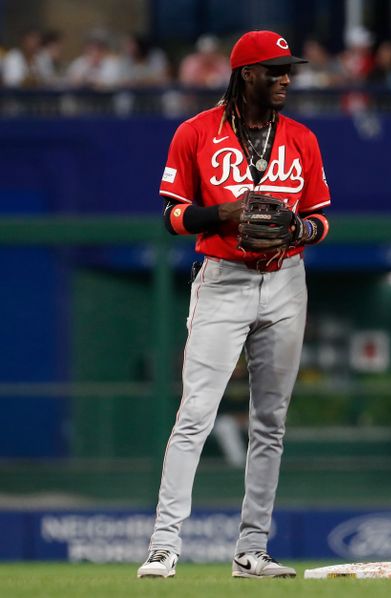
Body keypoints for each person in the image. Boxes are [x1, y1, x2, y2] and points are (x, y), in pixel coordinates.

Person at [137, 30, 331, 579]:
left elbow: (321, 220)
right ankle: (164, 545)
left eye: (289, 69)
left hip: (286, 279)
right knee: (194, 415)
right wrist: (222, 214)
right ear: (247, 74)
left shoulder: (301, 139)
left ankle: (252, 550)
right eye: (275, 70)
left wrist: (300, 227)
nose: (286, 79)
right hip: (222, 279)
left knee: (270, 421)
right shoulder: (195, 132)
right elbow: (172, 216)